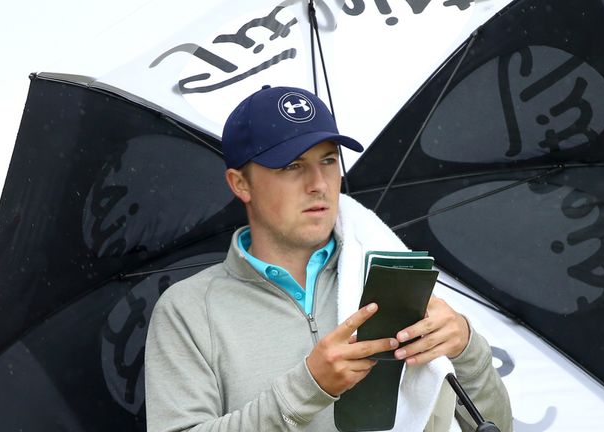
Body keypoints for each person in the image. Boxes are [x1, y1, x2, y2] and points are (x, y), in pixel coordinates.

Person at [144, 85, 512, 431]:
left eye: (328, 160)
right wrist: (308, 387)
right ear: (240, 183)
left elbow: (497, 426)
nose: (318, 183)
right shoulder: (187, 311)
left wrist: (467, 350)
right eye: (292, 165)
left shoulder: (388, 274)